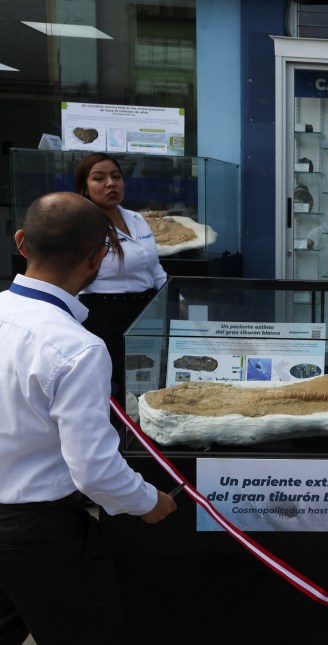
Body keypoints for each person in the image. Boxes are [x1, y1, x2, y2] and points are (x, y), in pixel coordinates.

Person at [0, 192, 177, 645]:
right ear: (99, 257)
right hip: (39, 532)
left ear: (21, 242)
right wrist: (147, 501)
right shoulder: (77, 347)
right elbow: (94, 470)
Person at [74, 152, 168, 398]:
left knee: (147, 382)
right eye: (99, 178)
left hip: (146, 313)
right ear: (85, 188)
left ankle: (140, 435)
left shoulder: (136, 219)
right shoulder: (82, 224)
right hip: (104, 317)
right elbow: (72, 275)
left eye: (116, 176)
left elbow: (155, 268)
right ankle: (115, 434)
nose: (110, 184)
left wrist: (176, 299)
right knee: (113, 387)